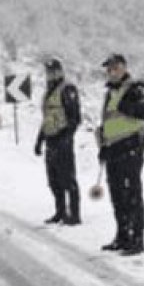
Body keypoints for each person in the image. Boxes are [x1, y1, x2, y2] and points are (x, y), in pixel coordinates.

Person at [96, 53, 144, 256]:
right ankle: (122, 236)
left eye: (115, 68)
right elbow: (108, 122)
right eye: (109, 69)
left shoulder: (135, 88)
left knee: (132, 194)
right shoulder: (110, 93)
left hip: (131, 147)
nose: (111, 72)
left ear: (123, 67)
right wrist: (103, 146)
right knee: (117, 195)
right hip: (113, 149)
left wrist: (128, 107)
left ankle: (137, 239)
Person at [34, 57, 82, 225]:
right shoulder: (48, 94)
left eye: (53, 71)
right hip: (51, 141)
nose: (50, 75)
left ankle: (74, 215)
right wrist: (39, 141)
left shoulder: (67, 89)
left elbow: (75, 118)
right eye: (48, 72)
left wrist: (67, 137)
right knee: (54, 181)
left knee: (68, 179)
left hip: (63, 140)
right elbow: (47, 119)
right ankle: (60, 212)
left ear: (60, 72)